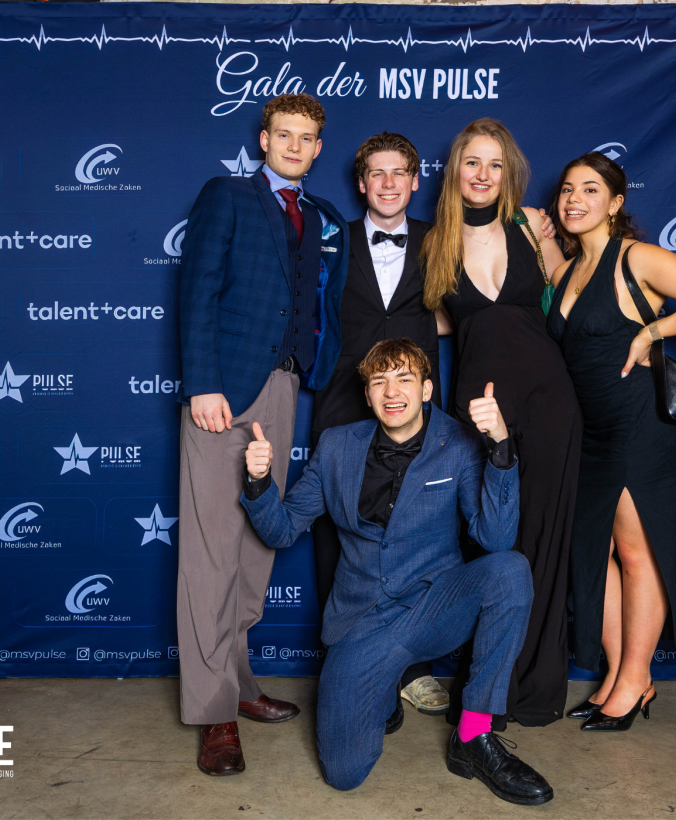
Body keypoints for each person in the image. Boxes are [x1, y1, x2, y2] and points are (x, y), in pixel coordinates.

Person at [241, 338, 553, 805]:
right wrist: (259, 481)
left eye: (404, 379)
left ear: (426, 390)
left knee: (509, 570)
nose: (391, 391)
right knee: (344, 773)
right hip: (363, 621)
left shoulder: (459, 443)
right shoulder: (336, 446)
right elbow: (281, 531)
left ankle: (473, 735)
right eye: (379, 381)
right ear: (367, 395)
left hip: (433, 607)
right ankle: (382, 688)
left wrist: (501, 448)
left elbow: (495, 539)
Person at [176, 93, 349, 775]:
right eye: (284, 135)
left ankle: (240, 681)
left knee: (256, 546)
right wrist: (202, 383)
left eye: (307, 138)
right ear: (264, 139)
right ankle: (212, 709)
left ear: (318, 147)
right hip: (223, 389)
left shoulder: (321, 215)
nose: (295, 146)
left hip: (285, 387)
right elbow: (197, 291)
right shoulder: (227, 195)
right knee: (211, 554)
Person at [545, 151, 676, 731]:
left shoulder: (637, 258)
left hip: (638, 426)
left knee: (636, 554)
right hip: (588, 431)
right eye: (568, 190)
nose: (576, 199)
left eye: (590, 189)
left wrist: (652, 331)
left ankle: (635, 680)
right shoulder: (565, 270)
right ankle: (615, 674)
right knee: (594, 552)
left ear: (616, 202)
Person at [422, 118, 583, 730]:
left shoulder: (532, 227)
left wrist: (639, 333)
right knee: (492, 540)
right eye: (472, 162)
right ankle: (485, 690)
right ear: (455, 171)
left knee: (544, 535)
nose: (483, 174)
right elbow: (436, 320)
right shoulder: (434, 242)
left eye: (495, 164)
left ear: (508, 172)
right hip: (480, 407)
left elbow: (571, 297)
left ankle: (534, 688)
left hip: (549, 399)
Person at [310, 131, 451, 719]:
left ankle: (410, 667)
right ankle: (351, 665)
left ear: (415, 181)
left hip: (413, 405)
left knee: (421, 533)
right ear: (361, 182)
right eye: (377, 173)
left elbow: (479, 301)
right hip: (345, 399)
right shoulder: (330, 241)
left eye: (399, 173)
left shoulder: (440, 240)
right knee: (338, 533)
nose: (388, 183)